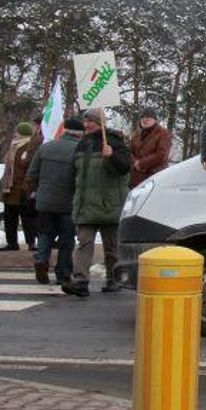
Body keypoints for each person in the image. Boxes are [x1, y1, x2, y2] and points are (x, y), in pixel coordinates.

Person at [66, 109, 130, 297]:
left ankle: (113, 280)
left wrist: (112, 156)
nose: (87, 125)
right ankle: (81, 281)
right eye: (85, 122)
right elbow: (75, 174)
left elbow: (125, 168)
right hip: (85, 205)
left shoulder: (116, 142)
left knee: (111, 247)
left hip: (109, 205)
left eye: (91, 121)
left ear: (100, 123)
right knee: (84, 244)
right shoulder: (81, 145)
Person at [27, 116, 84, 286]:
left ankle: (41, 260)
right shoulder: (79, 151)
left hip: (44, 201)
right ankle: (63, 273)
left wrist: (40, 189)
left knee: (45, 234)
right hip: (68, 202)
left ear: (64, 130)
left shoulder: (46, 147)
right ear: (80, 134)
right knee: (67, 240)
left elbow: (32, 173)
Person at [0, 121, 39, 252]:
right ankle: (12, 242)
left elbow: (31, 168)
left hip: (23, 188)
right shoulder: (13, 147)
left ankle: (31, 242)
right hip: (9, 188)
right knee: (9, 218)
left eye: (18, 132)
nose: (15, 134)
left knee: (27, 218)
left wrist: (28, 186)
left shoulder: (30, 148)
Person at [129, 107, 172, 188]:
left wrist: (141, 163)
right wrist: (134, 162)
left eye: (148, 117)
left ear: (155, 120)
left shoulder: (163, 134)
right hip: (135, 178)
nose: (145, 119)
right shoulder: (136, 134)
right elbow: (129, 151)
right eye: (143, 117)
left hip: (154, 177)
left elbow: (161, 155)